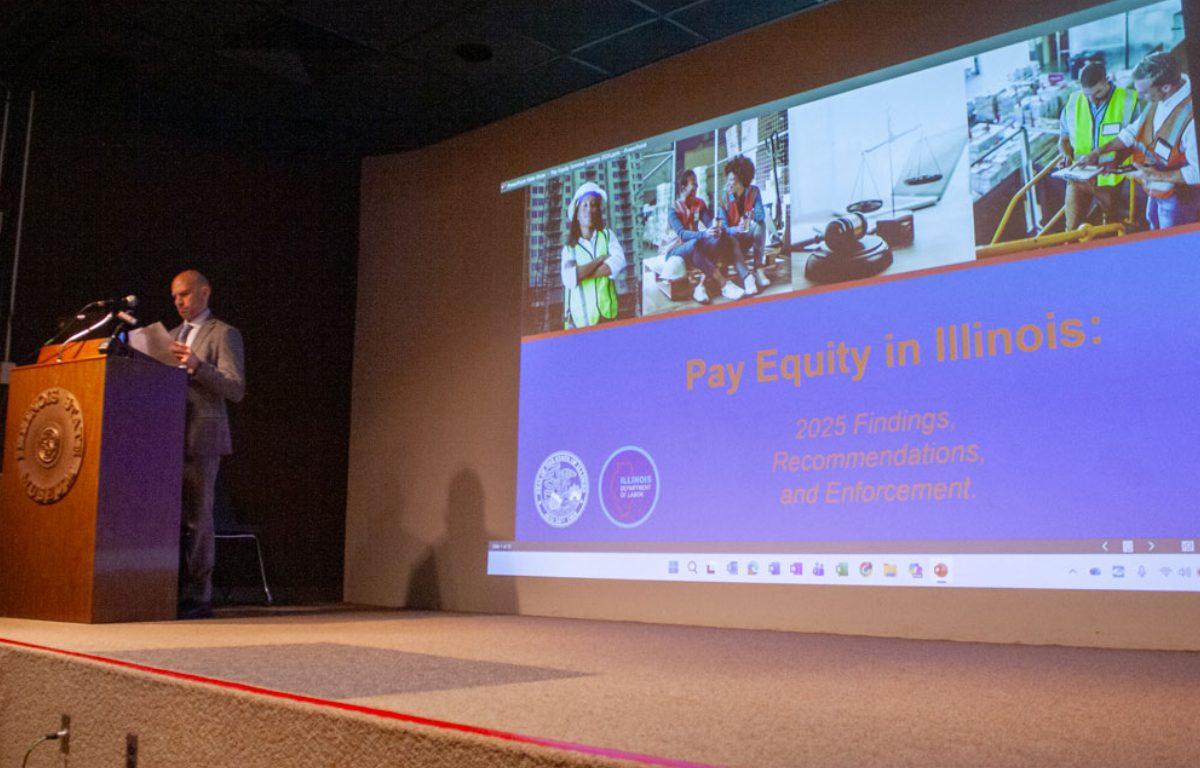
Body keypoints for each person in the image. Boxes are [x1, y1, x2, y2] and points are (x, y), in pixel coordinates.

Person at [169, 270, 246, 619]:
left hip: (203, 436)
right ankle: (162, 587)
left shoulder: (223, 334)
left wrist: (199, 367)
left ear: (205, 292)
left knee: (198, 518)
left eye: (185, 294)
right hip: (164, 438)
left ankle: (198, 596)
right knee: (168, 519)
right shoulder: (169, 337)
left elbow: (235, 388)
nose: (179, 302)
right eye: (174, 297)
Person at [1078, 51, 1198, 229]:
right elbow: (1133, 132)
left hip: (1178, 200)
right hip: (1155, 190)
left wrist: (1158, 175)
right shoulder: (1160, 96)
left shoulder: (1191, 119)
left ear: (1166, 87)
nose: (1140, 98)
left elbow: (1197, 171)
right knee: (1153, 224)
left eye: (1144, 93)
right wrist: (1099, 152)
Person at [1057, 61, 1138, 230]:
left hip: (1110, 178)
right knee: (1071, 228)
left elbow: (1135, 141)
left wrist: (1116, 162)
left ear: (1107, 80)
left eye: (1098, 92)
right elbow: (1063, 138)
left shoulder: (1129, 101)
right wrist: (1065, 155)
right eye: (1087, 95)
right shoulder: (1073, 102)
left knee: (1110, 224)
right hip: (1078, 178)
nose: (1092, 99)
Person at [665, 169, 745, 304]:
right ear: (684, 187)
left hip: (695, 249)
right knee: (695, 243)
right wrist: (704, 234)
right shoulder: (674, 208)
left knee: (721, 236)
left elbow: (708, 223)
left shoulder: (699, 203)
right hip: (676, 250)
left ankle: (700, 286)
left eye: (697, 185)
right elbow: (682, 234)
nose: (696, 188)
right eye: (693, 185)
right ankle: (724, 284)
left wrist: (716, 228)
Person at [561, 182, 627, 329]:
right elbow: (569, 278)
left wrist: (581, 274)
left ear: (598, 211)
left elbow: (620, 262)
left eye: (593, 205)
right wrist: (600, 260)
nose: (589, 209)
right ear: (576, 214)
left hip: (608, 317)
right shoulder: (569, 249)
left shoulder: (608, 236)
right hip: (581, 322)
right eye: (584, 205)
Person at [716, 154, 769, 295]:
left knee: (760, 225)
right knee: (730, 238)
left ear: (742, 180)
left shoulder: (754, 192)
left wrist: (753, 215)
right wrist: (735, 229)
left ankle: (758, 269)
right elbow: (722, 230)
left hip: (746, 239)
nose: (728, 183)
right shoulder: (723, 198)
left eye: (732, 180)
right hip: (731, 244)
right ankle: (747, 277)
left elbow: (761, 215)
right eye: (728, 179)